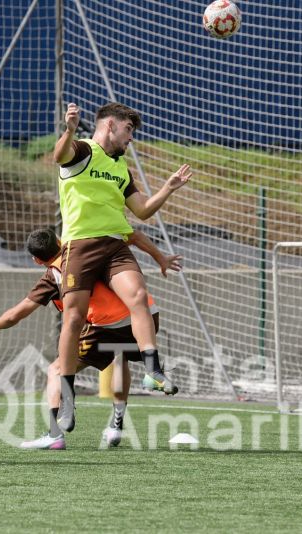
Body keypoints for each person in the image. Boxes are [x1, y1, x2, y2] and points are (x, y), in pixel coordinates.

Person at [52, 102, 191, 432]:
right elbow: (59, 156)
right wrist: (70, 128)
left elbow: (142, 211)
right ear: (110, 125)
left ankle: (153, 369)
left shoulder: (120, 169)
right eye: (129, 130)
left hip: (115, 245)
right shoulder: (82, 150)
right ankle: (67, 399)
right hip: (81, 245)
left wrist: (168, 188)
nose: (131, 137)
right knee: (72, 318)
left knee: (138, 295)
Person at [0, 228, 180, 449]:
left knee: (56, 369)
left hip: (107, 325)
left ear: (36, 260)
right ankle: (116, 425)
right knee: (120, 357)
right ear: (59, 240)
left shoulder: (55, 273)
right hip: (146, 314)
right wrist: (161, 257)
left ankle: (55, 434)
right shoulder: (89, 244)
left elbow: (18, 312)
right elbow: (134, 234)